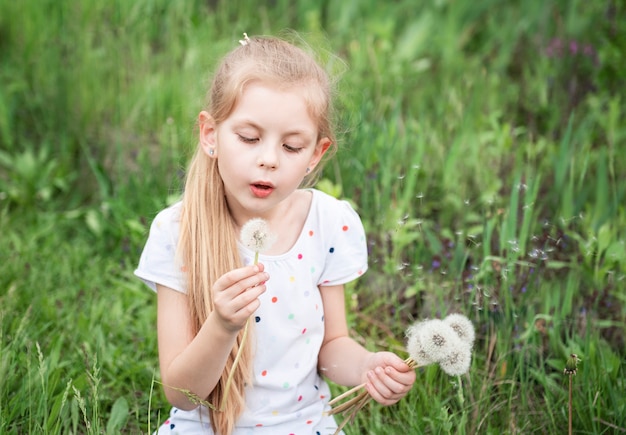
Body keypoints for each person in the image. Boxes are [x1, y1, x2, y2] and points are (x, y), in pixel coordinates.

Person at [134, 33, 416, 435]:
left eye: (292, 146)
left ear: (315, 154)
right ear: (210, 134)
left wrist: (366, 367)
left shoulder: (327, 223)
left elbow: (331, 348)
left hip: (302, 424)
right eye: (249, 138)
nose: (268, 160)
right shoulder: (178, 231)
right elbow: (181, 394)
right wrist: (222, 326)